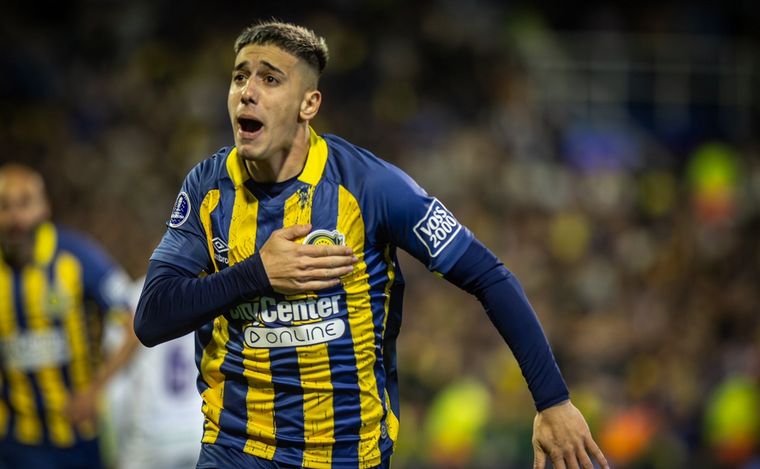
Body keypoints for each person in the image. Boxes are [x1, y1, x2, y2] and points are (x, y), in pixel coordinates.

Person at [134, 20, 609, 469]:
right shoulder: (207, 188)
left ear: (308, 104)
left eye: (270, 79)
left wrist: (553, 400)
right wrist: (258, 273)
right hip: (237, 449)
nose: (247, 91)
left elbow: (487, 275)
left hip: (348, 454)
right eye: (240, 77)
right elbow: (152, 317)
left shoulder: (370, 187)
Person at [0, 163, 138, 468]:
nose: (16, 218)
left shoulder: (79, 257)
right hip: (12, 440)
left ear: (44, 207)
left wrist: (95, 389)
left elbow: (135, 324)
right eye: (5, 206)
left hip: (79, 437)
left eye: (24, 203)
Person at [106, 276, 203, 469]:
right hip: (197, 428)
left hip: (151, 432)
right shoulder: (205, 289)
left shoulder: (136, 294)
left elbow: (115, 356)